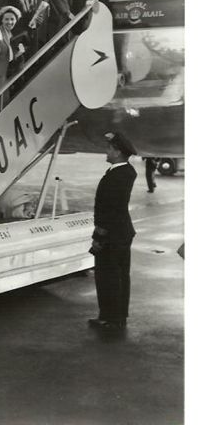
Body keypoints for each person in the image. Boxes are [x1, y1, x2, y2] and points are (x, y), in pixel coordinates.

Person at [88, 131, 139, 331]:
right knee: (120, 275)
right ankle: (118, 316)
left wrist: (98, 236)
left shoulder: (117, 175)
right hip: (122, 231)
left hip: (112, 234)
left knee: (107, 276)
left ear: (117, 152)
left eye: (109, 148)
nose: (106, 151)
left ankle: (110, 318)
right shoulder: (125, 171)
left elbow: (110, 209)